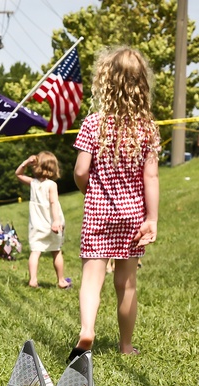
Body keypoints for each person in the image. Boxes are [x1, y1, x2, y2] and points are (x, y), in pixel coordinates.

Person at [69, 46, 159, 361]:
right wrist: (153, 219)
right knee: (127, 285)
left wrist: (88, 190)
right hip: (133, 217)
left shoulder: (94, 124)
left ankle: (87, 330)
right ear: (142, 83)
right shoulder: (146, 128)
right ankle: (125, 346)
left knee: (91, 281)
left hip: (98, 213)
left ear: (106, 81)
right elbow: (151, 177)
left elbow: (81, 171)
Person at [15, 152, 70, 289]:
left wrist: (26, 162)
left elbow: (18, 174)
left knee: (35, 251)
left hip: (37, 224)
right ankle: (61, 280)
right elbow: (53, 203)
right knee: (56, 250)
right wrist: (56, 221)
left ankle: (33, 280)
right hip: (52, 224)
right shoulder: (51, 185)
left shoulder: (33, 183)